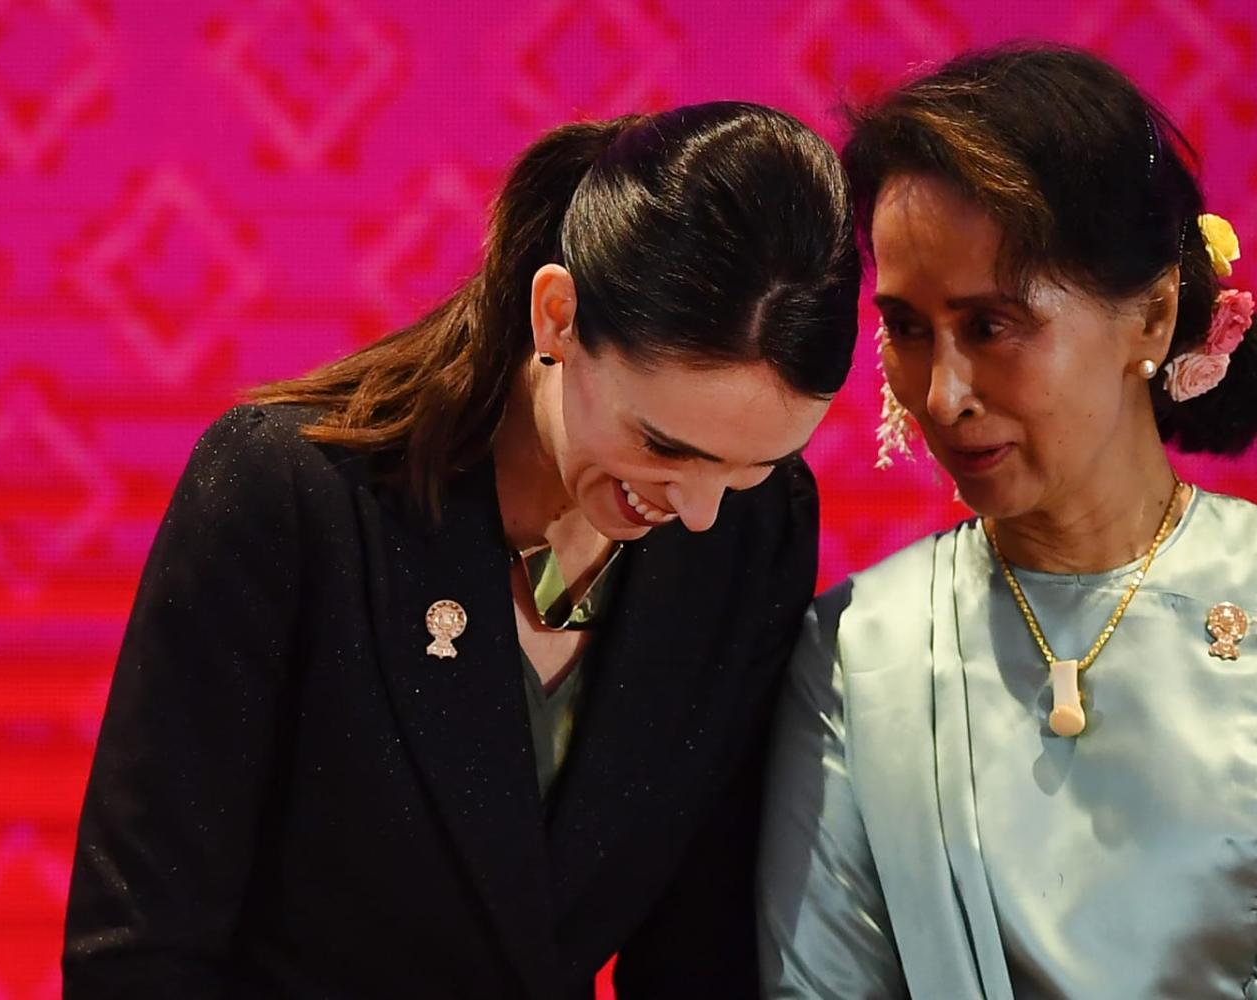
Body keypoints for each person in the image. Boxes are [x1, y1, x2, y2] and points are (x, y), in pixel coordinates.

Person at [64, 101, 859, 999]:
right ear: (558, 316)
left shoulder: (758, 531)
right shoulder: (290, 496)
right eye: (666, 445)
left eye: (753, 464)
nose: (703, 509)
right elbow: (139, 953)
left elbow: (696, 953)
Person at [757, 46, 1257, 999]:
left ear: (1155, 318)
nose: (943, 393)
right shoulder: (860, 646)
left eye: (992, 326)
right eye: (909, 330)